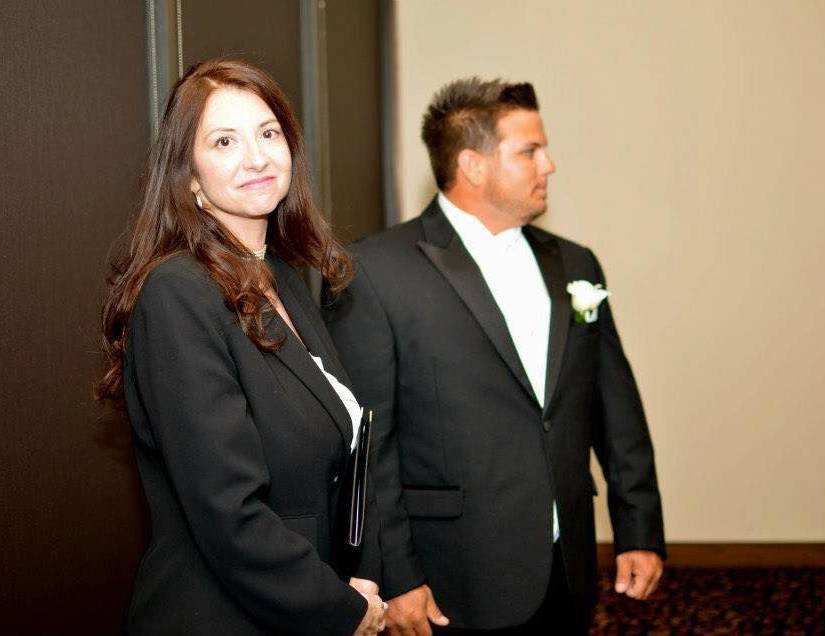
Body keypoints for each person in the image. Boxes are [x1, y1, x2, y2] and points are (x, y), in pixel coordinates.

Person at [324, 78, 666, 634]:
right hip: (453, 574)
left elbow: (615, 406)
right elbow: (369, 444)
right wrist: (395, 575)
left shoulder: (576, 266)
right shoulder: (376, 272)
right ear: (473, 166)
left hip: (568, 562)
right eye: (530, 151)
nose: (549, 164)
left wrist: (640, 530)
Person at [95, 58, 386, 635]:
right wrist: (343, 609)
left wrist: (359, 578)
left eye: (268, 133)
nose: (256, 157)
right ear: (190, 178)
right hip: (220, 615)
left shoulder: (279, 278)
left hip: (301, 602)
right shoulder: (178, 291)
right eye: (224, 141)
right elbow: (228, 511)